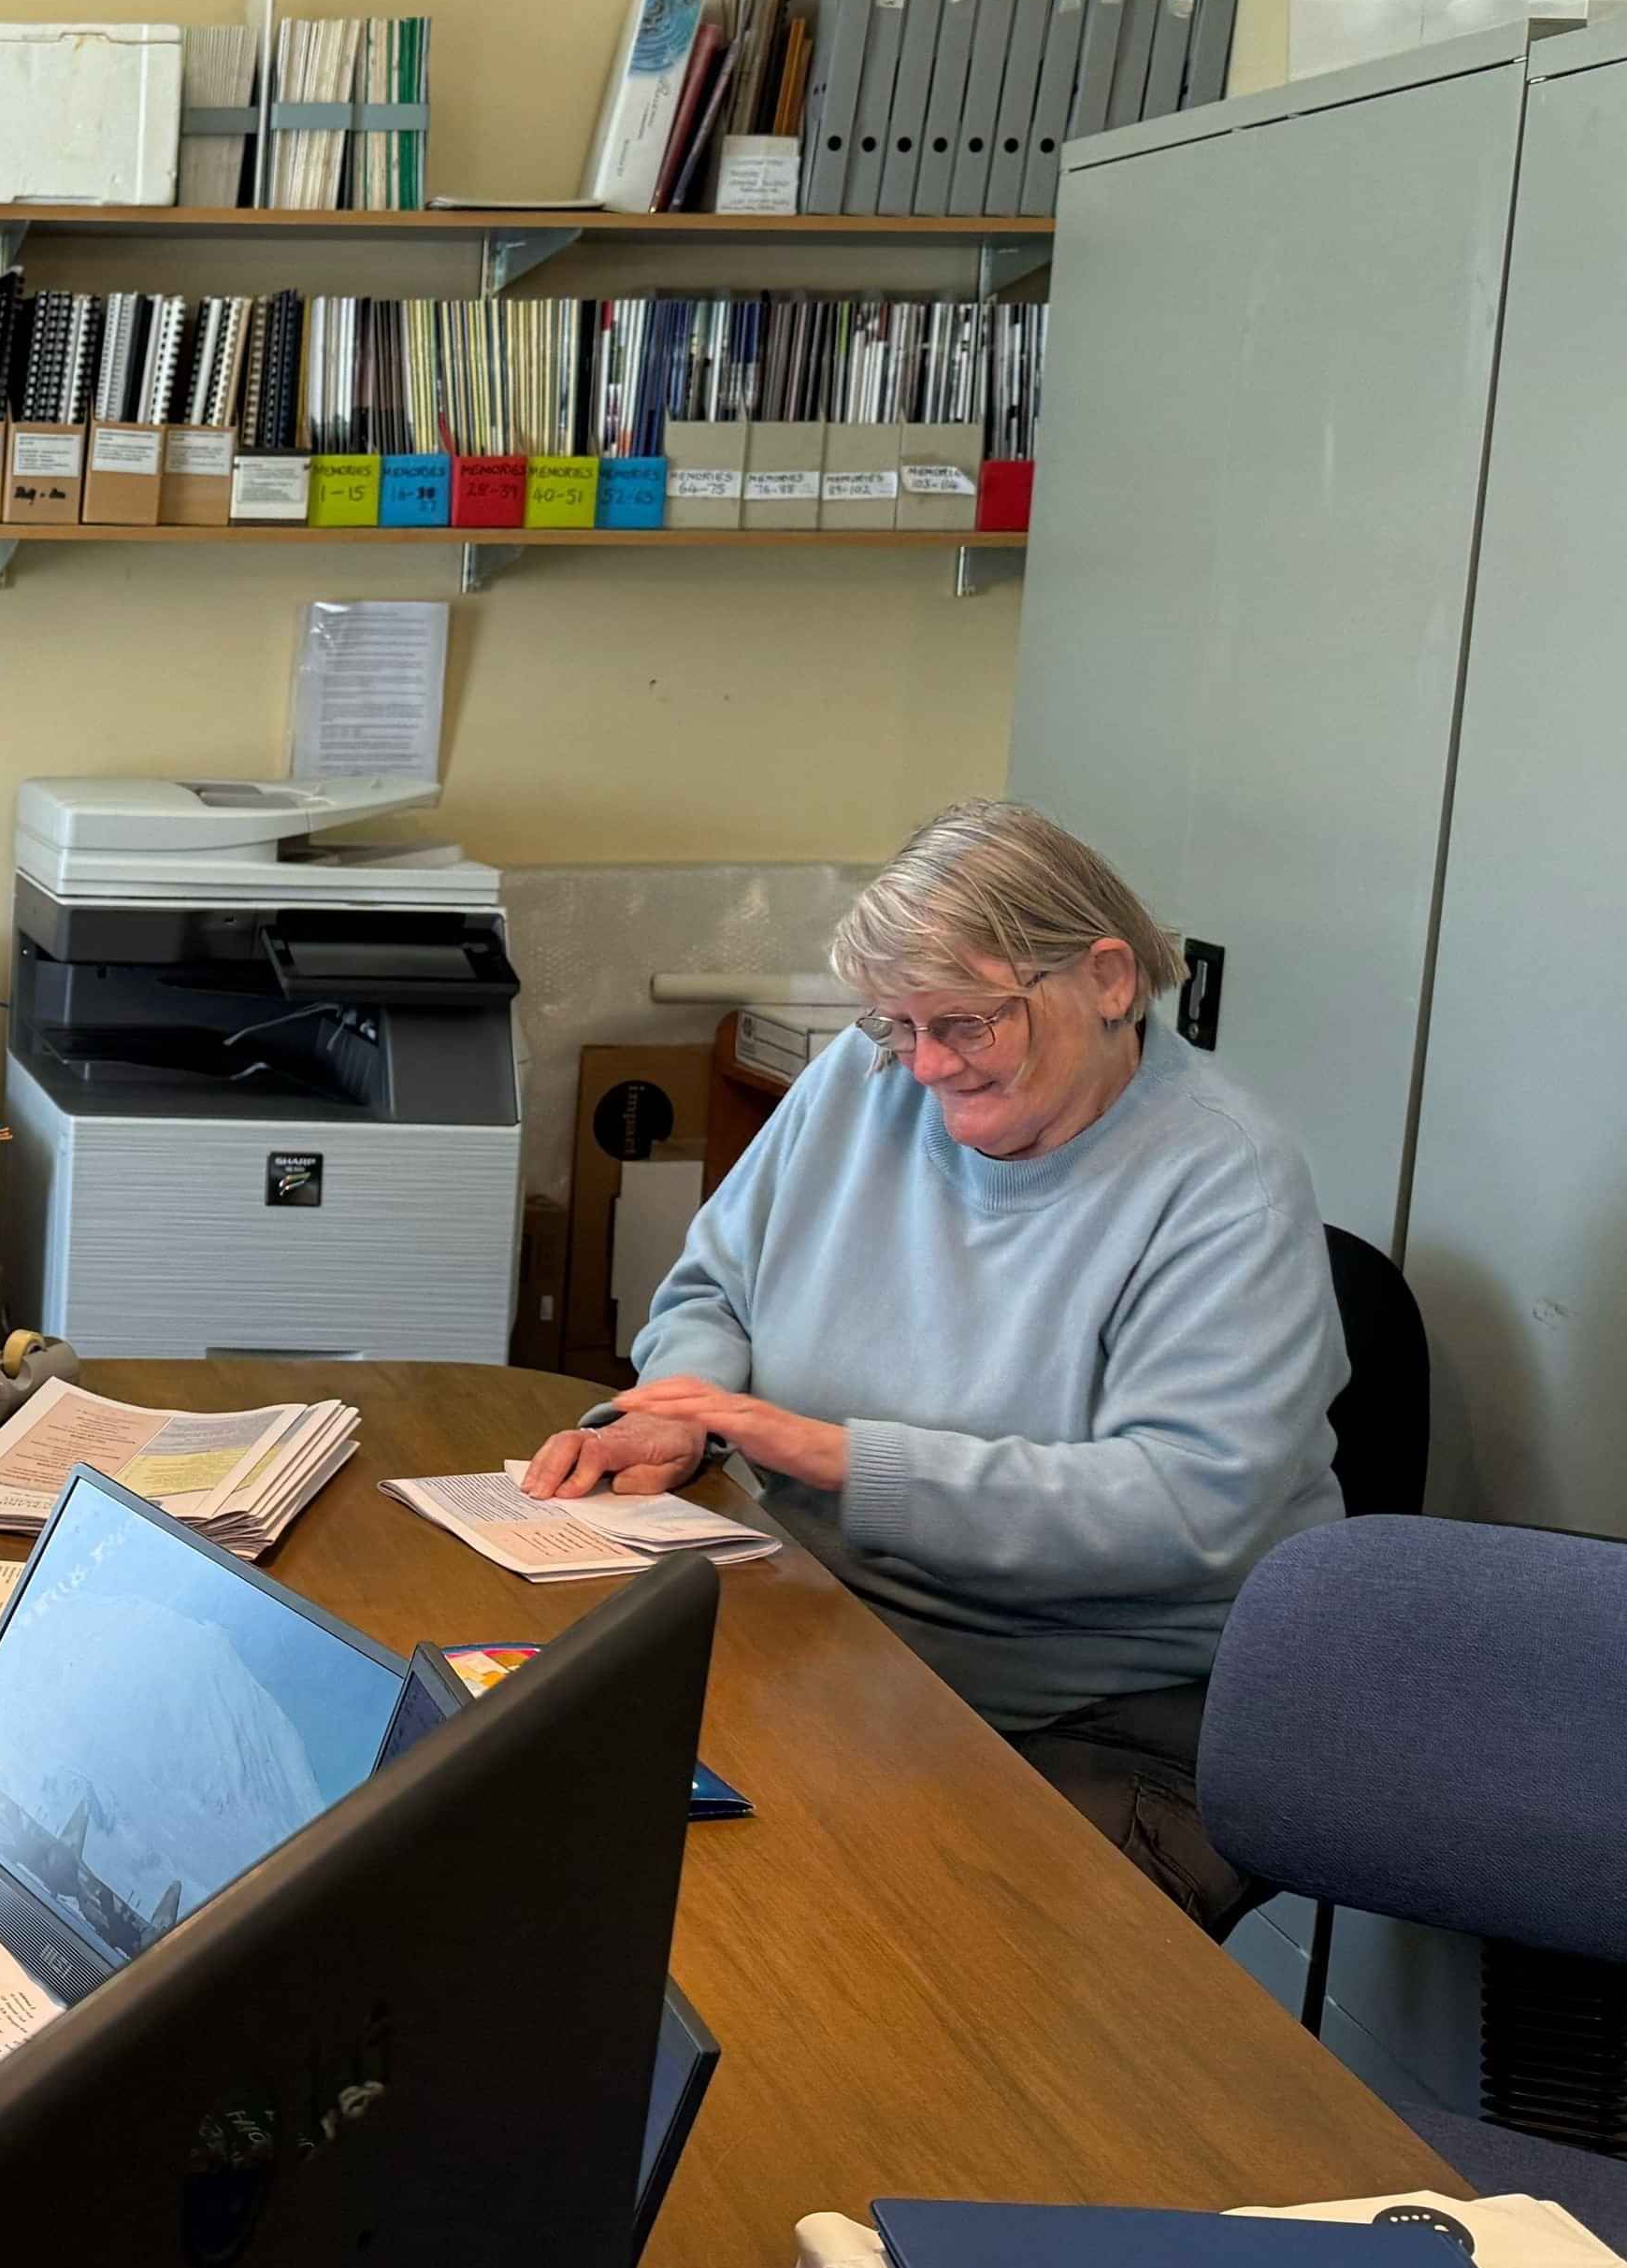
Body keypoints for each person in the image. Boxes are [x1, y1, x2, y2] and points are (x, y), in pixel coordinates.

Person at [526, 800, 1345, 1930]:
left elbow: (1184, 1506)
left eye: (964, 1023)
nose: (922, 1067)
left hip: (1103, 1707)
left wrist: (828, 1455)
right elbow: (713, 1290)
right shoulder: (866, 1082)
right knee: (573, 1854)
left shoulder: (1222, 1182)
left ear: (1109, 979)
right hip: (837, 1628)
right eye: (893, 1027)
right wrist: (681, 1412)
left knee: (919, 1974)